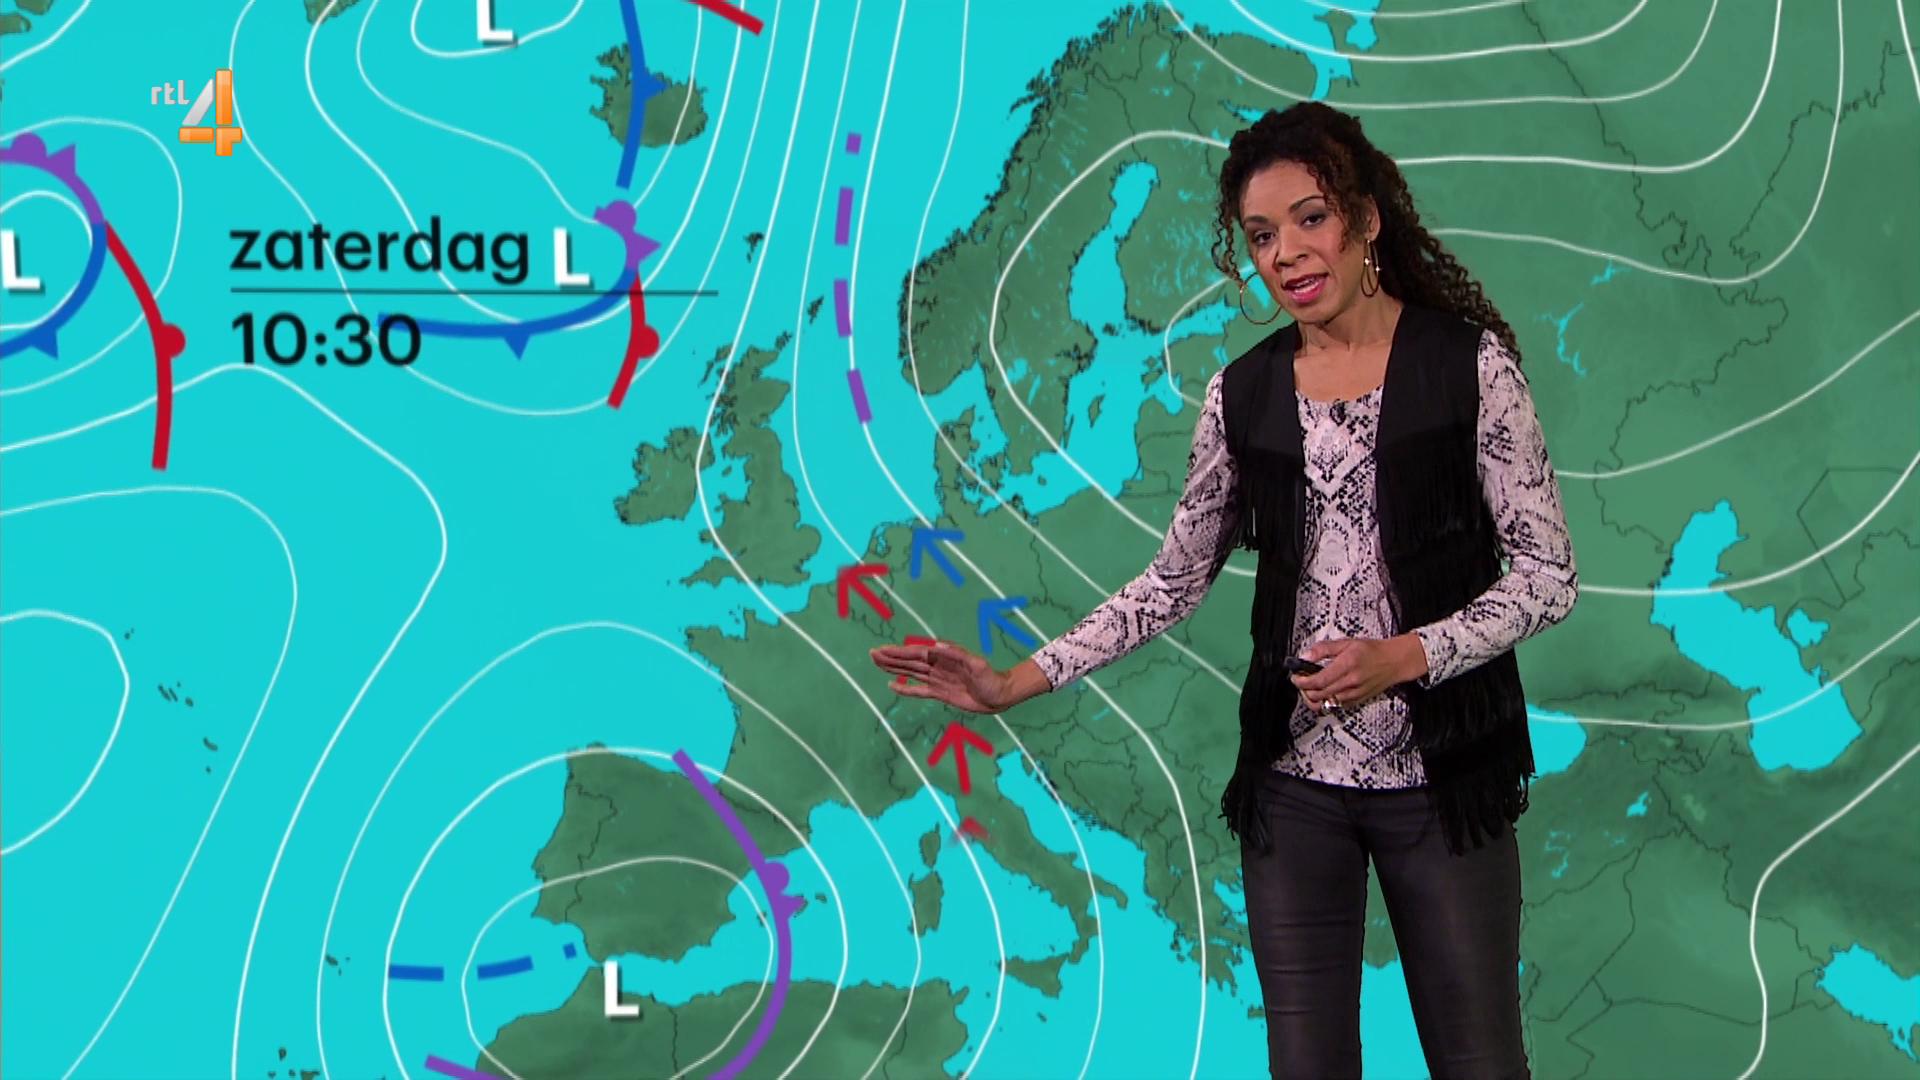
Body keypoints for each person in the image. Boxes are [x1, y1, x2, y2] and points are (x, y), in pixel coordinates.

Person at [868, 101, 1577, 1078]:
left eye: (1310, 218)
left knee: (1480, 1064)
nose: (1286, 253)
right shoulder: (1241, 396)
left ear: (1368, 219)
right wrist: (1011, 683)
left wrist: (1405, 657)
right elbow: (1171, 582)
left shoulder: (1469, 368)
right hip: (1295, 792)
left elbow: (1548, 576)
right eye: (1261, 235)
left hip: (1445, 781)